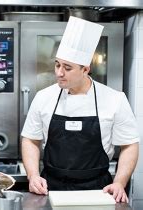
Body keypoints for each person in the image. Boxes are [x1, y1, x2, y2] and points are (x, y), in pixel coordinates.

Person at [21, 16, 139, 203]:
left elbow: (130, 145)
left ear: (86, 69)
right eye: (57, 64)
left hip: (98, 191)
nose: (59, 73)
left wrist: (119, 182)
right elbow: (30, 139)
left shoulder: (114, 99)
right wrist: (33, 175)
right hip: (50, 189)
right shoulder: (43, 97)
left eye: (67, 68)